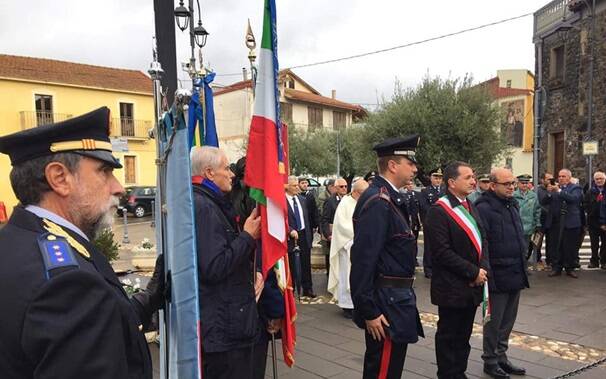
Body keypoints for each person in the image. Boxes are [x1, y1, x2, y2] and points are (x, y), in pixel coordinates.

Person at [0, 107, 164, 378]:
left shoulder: (15, 240)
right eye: (104, 171)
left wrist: (146, 302)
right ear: (60, 178)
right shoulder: (68, 284)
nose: (119, 187)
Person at [350, 136, 424, 379]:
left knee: (390, 369)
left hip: (395, 300)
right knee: (383, 371)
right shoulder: (379, 201)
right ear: (393, 165)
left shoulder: (389, 197)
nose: (415, 169)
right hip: (386, 305)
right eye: (410, 163)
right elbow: (362, 260)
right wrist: (369, 310)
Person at [191, 146, 263, 378]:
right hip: (224, 328)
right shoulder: (204, 207)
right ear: (209, 172)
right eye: (226, 168)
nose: (232, 174)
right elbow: (215, 266)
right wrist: (247, 237)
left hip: (227, 323)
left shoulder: (210, 202)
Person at [425, 161, 489, 379]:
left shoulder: (470, 205)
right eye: (468, 177)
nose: (473, 181)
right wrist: (473, 272)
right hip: (451, 288)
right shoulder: (439, 211)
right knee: (449, 337)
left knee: (464, 336)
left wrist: (483, 270)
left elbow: (482, 241)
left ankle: (458, 373)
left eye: (473, 176)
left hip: (472, 286)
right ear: (452, 182)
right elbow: (442, 253)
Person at [476, 168, 529, 379]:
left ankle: (501, 356)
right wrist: (488, 273)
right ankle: (490, 360)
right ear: (492, 185)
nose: (511, 187)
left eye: (513, 183)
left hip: (515, 271)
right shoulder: (484, 207)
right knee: (494, 322)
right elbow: (484, 243)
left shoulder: (512, 204)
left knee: (508, 320)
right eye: (506, 184)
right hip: (496, 274)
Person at [327, 178, 369, 318]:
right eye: (363, 193)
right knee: (347, 276)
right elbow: (342, 226)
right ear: (356, 192)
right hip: (348, 246)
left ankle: (359, 303)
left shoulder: (363, 202)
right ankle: (347, 305)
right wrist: (359, 236)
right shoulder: (345, 203)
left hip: (361, 246)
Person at [541, 169, 583, 278]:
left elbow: (574, 199)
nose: (560, 178)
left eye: (563, 176)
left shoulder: (575, 188)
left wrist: (559, 191)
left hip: (570, 222)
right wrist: (550, 192)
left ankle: (569, 268)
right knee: (556, 246)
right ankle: (557, 267)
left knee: (570, 247)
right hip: (556, 222)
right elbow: (544, 201)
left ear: (569, 177)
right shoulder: (554, 188)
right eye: (559, 176)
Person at [285, 176, 315, 298]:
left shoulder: (302, 200)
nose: (297, 187)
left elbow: (307, 218)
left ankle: (307, 288)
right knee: (292, 265)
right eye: (294, 185)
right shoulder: (282, 201)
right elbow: (281, 220)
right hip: (291, 237)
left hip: (303, 235)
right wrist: (290, 230)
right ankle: (291, 291)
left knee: (306, 263)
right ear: (287, 187)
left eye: (298, 185)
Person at [419, 167, 445, 278]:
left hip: (443, 223)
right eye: (435, 177)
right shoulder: (425, 191)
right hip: (430, 223)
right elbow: (424, 207)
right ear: (430, 178)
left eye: (440, 178)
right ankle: (428, 268)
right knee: (429, 246)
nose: (438, 180)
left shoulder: (445, 191)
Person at [321, 178, 348, 277]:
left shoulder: (348, 200)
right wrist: (328, 235)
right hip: (334, 236)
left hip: (346, 237)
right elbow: (325, 219)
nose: (344, 188)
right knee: (333, 261)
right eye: (341, 186)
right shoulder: (330, 201)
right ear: (336, 188)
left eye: (345, 186)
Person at [513, 174, 541, 265]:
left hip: (528, 227)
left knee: (525, 249)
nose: (524, 185)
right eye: (522, 183)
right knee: (515, 248)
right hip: (516, 226)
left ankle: (523, 266)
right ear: (518, 184)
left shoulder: (533, 196)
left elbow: (537, 211)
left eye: (526, 183)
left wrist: (538, 224)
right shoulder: (513, 195)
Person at [583, 171, 606, 269]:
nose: (599, 181)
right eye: (597, 179)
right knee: (594, 244)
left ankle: (604, 261)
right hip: (593, 222)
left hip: (605, 221)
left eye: (601, 179)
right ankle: (594, 261)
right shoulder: (590, 192)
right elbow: (585, 205)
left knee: (605, 244)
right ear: (594, 180)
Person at [537, 172, 554, 266]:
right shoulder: (538, 190)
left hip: (551, 219)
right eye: (548, 179)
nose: (550, 181)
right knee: (538, 241)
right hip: (541, 219)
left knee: (551, 241)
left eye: (552, 179)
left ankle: (550, 259)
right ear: (542, 180)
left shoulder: (554, 189)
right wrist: (548, 193)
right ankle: (537, 258)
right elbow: (540, 203)